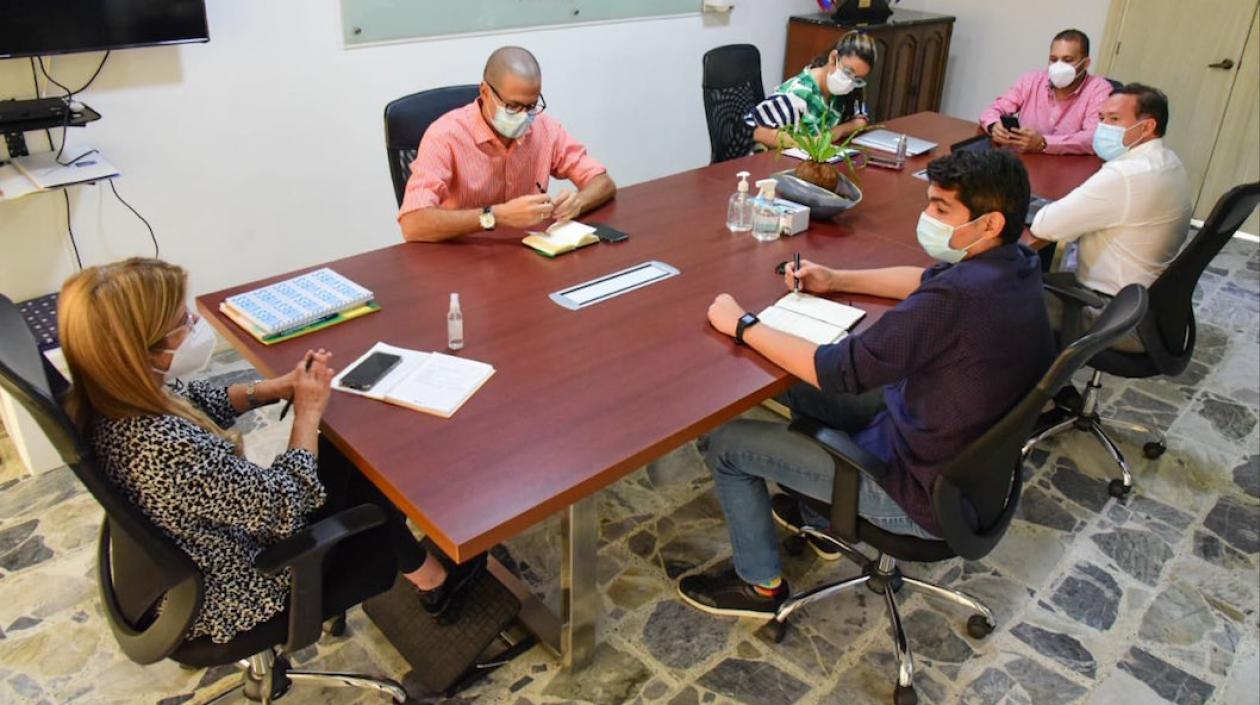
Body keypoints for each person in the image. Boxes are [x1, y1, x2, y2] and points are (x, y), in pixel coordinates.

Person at [677, 150, 1054, 617]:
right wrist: (834, 279)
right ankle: (822, 518)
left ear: (989, 223)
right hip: (951, 464)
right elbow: (925, 281)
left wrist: (744, 326)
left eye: (940, 208)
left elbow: (840, 369)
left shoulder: (956, 300)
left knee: (728, 444)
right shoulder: (1013, 263)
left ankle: (759, 586)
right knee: (792, 385)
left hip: (917, 494)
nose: (926, 217)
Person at [57, 258, 484, 644]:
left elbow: (194, 399)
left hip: (195, 549)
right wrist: (306, 415)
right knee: (365, 477)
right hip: (242, 584)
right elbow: (284, 503)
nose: (194, 324)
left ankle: (420, 569)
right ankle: (433, 580)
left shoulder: (113, 394)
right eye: (182, 322)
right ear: (140, 350)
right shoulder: (166, 446)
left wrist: (272, 389)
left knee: (348, 456)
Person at [1031, 83, 1192, 352]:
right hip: (1147, 307)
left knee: (1000, 296)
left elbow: (1044, 226)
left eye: (1115, 119)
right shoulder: (1168, 161)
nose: (1104, 127)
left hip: (1114, 316)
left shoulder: (1126, 176)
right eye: (1101, 118)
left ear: (1147, 127)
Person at [398, 46, 616, 243]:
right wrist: (495, 217)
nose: (523, 116)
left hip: (524, 250)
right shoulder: (444, 136)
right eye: (512, 107)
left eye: (530, 106)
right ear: (485, 92)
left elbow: (602, 182)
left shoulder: (544, 128)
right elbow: (413, 223)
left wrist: (578, 201)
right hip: (463, 255)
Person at [979, 29, 1113, 155]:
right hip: (1022, 159)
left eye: (1068, 60)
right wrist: (994, 126)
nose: (1059, 66)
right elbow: (993, 109)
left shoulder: (1099, 89)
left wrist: (1044, 143)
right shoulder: (1031, 80)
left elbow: (1093, 137)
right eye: (1054, 59)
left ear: (1085, 63)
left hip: (1067, 165)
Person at [746, 30, 877, 149]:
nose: (849, 81)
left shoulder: (845, 90)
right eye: (848, 72)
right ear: (833, 58)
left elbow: (861, 119)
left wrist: (837, 132)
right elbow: (752, 128)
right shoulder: (797, 94)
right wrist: (803, 144)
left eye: (857, 78)